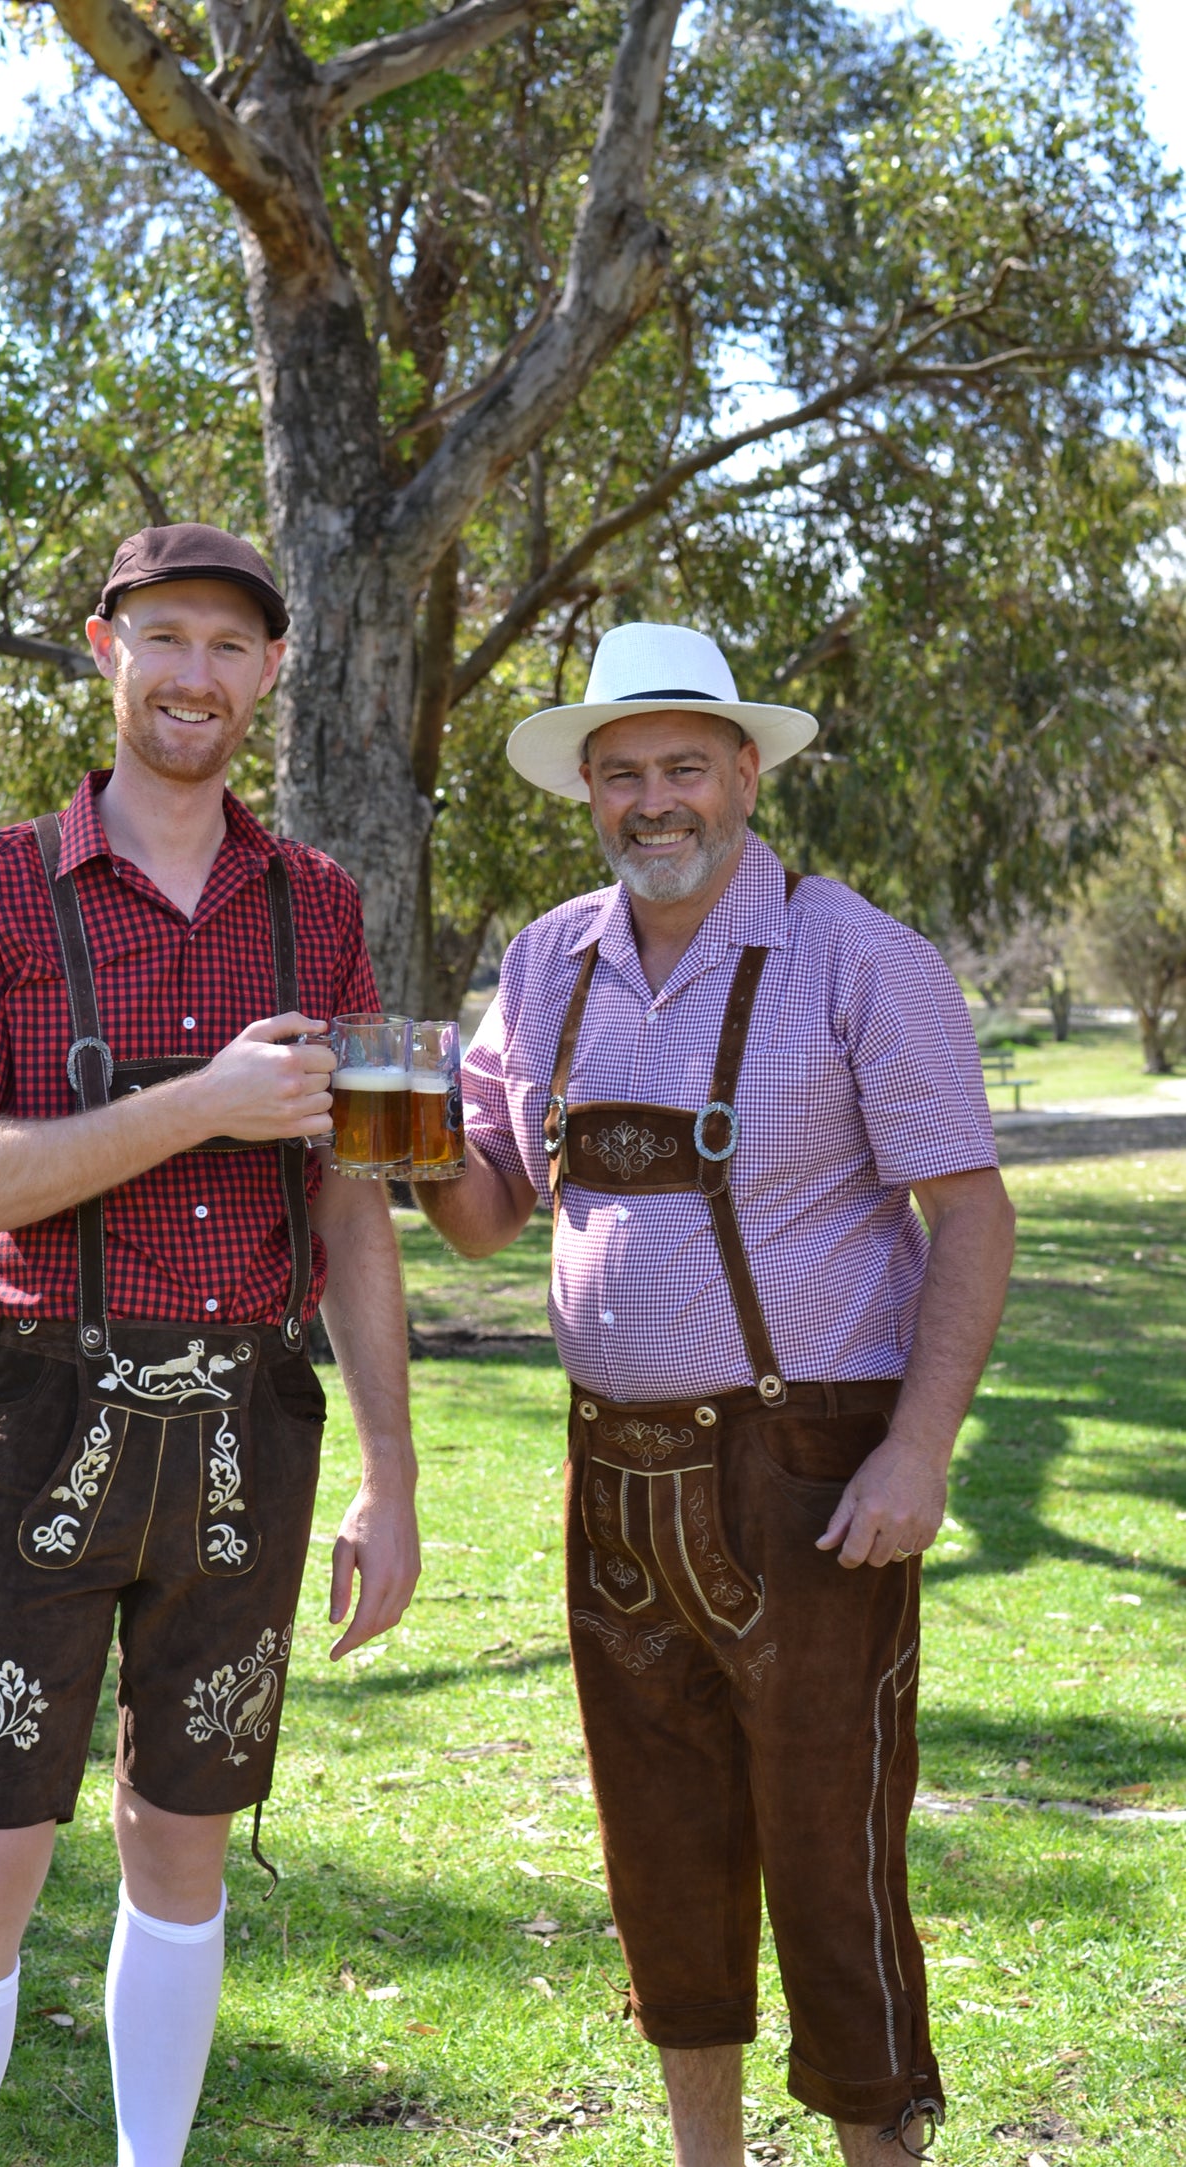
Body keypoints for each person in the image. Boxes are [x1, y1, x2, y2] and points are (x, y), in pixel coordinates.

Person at [413, 621, 1013, 2165]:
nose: (652, 800)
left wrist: (916, 1452)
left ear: (746, 772)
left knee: (828, 1852)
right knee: (660, 1847)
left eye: (684, 765)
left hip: (809, 1469)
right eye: (621, 775)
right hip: (613, 1471)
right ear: (590, 796)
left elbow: (972, 1213)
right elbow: (488, 1214)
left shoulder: (857, 953)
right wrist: (412, 1139)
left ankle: (877, 2148)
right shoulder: (547, 959)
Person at [0, 522, 421, 2167]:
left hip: (253, 1425)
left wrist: (392, 1478)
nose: (194, 674)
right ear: (102, 650)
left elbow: (364, 1210)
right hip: (40, 1413)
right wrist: (196, 1105)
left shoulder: (321, 905)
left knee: (183, 1853)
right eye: (162, 637)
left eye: (228, 646)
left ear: (269, 673)